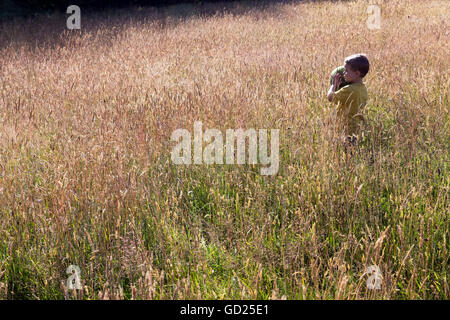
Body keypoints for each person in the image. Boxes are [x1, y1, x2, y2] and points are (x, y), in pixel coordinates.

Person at [327, 54, 370, 149]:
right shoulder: (363, 88)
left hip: (346, 129)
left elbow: (330, 97)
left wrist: (333, 86)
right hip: (357, 128)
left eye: (346, 71)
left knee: (344, 154)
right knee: (353, 153)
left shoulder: (349, 90)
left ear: (357, 73)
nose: (344, 73)